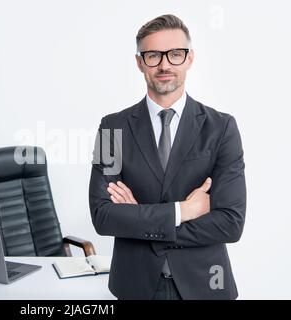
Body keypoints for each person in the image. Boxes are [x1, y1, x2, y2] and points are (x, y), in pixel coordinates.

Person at [88, 14, 246, 300]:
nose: (164, 65)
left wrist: (139, 219)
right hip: (135, 284)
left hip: (206, 284)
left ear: (189, 59)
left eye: (175, 54)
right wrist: (182, 211)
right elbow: (103, 216)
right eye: (153, 55)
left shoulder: (222, 127)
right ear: (139, 62)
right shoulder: (112, 128)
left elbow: (230, 223)